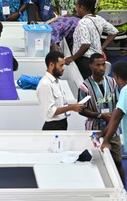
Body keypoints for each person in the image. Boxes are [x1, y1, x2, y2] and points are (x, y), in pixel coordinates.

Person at [78, 53, 125, 184]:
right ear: (90, 65)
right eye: (98, 65)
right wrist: (99, 115)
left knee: (118, 163)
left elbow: (118, 103)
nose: (101, 68)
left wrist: (113, 115)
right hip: (94, 130)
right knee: (96, 164)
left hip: (112, 129)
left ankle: (122, 191)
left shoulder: (112, 82)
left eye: (103, 64)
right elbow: (81, 109)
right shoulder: (84, 87)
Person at [65, 0, 118, 79]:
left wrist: (72, 58)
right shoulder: (99, 18)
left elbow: (86, 45)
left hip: (85, 60)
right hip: (98, 58)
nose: (76, 9)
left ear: (81, 7)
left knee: (87, 85)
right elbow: (114, 31)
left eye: (76, 6)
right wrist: (102, 47)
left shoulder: (83, 22)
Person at [37, 51, 85, 130]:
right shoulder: (45, 84)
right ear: (51, 65)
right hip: (53, 126)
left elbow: (60, 104)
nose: (63, 68)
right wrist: (72, 107)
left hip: (62, 123)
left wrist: (74, 106)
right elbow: (49, 112)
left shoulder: (56, 81)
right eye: (61, 65)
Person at [101, 61, 127, 185]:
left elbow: (116, 118)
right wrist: (102, 133)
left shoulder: (125, 91)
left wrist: (105, 141)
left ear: (115, 76)